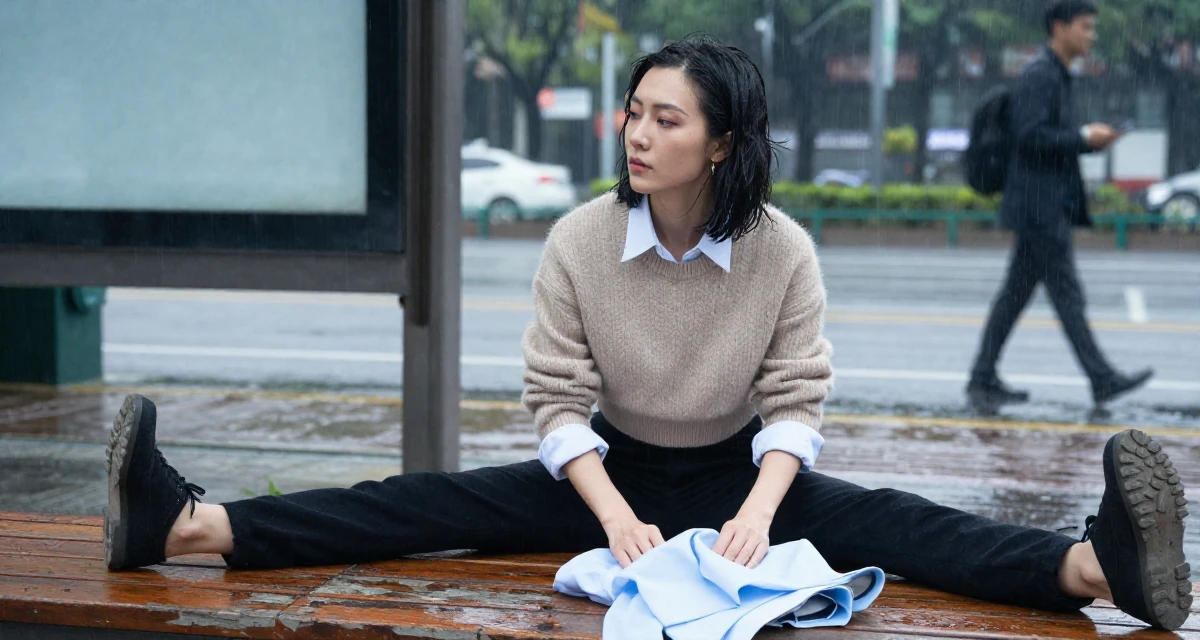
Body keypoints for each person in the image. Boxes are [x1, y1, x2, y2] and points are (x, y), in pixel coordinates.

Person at [103, 35, 1192, 631]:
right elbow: (555, 402)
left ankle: (1099, 568)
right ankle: (187, 526)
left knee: (902, 523)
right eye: (633, 110)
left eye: (665, 117)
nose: (637, 130)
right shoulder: (580, 238)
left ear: (721, 144)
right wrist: (618, 518)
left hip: (735, 472)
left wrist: (758, 516)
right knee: (416, 503)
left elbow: (797, 405)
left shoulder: (785, 251)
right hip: (605, 467)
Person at [967, 0, 1154, 413]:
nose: (1092, 36)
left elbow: (1046, 139)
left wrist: (1084, 139)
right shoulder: (1040, 76)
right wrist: (1084, 137)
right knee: (1066, 294)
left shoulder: (1056, 75)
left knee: (1015, 295)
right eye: (1086, 27)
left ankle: (982, 376)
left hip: (1043, 203)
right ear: (1059, 27)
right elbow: (1030, 138)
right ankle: (1101, 378)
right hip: (1038, 207)